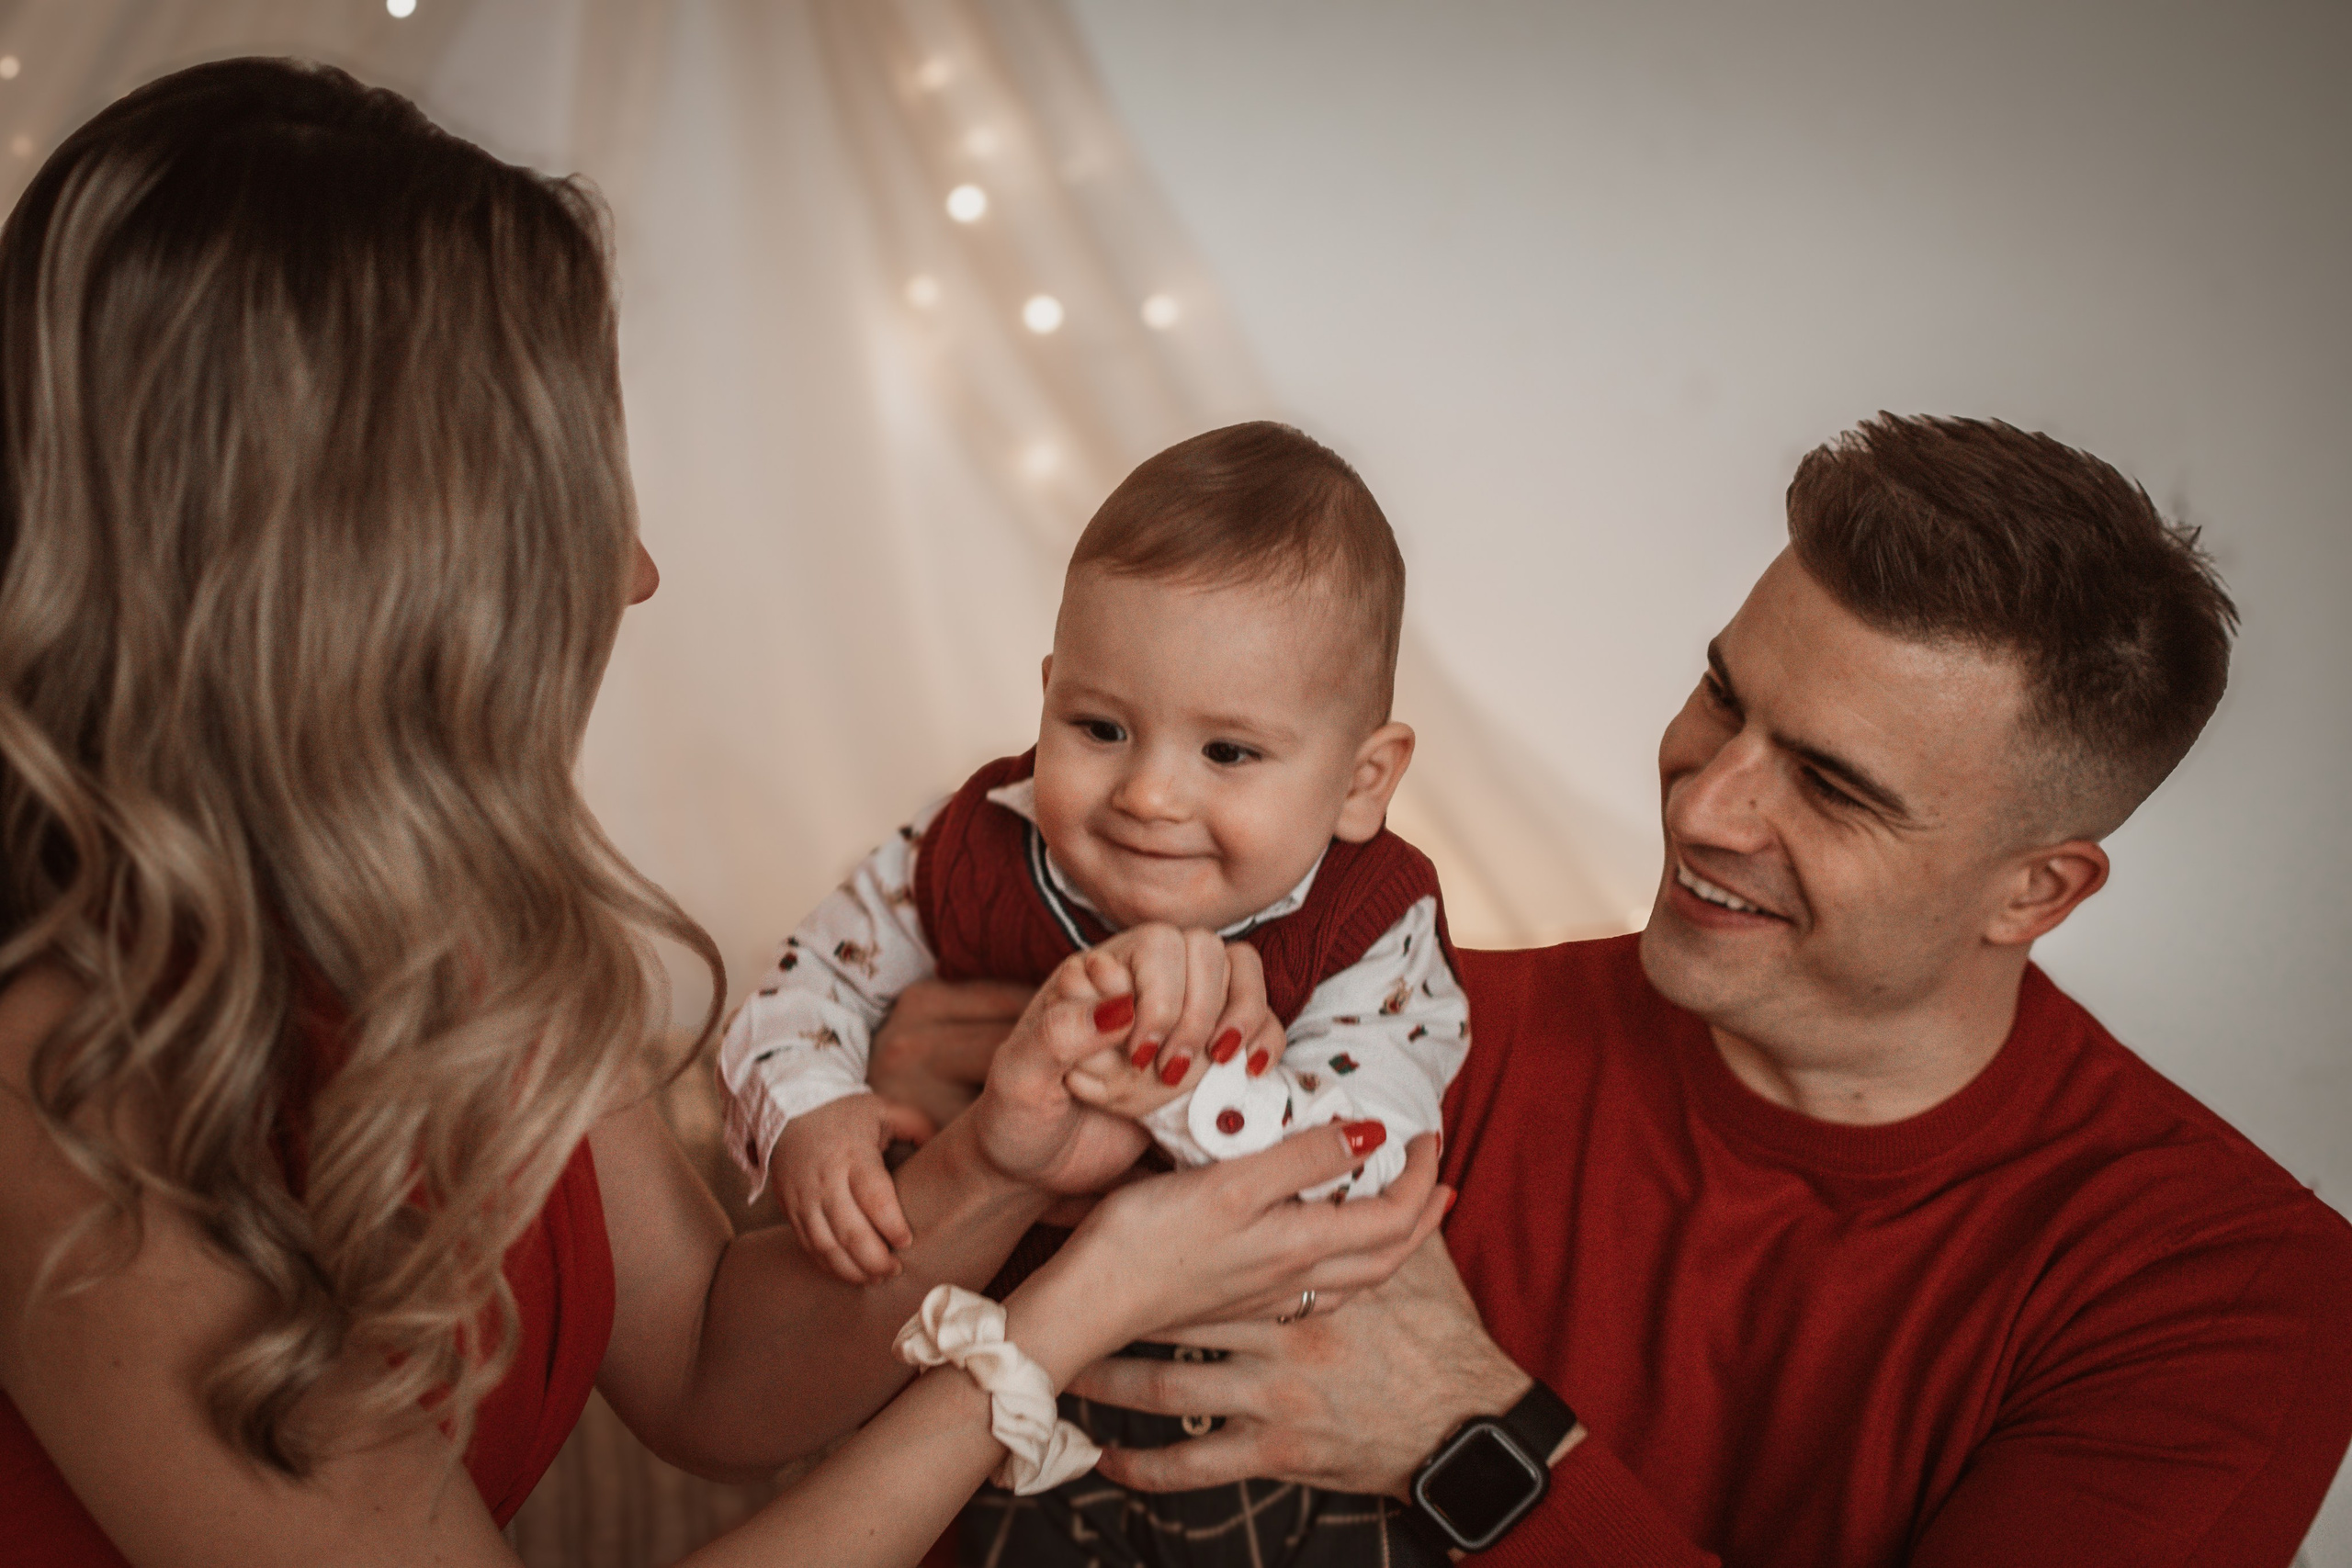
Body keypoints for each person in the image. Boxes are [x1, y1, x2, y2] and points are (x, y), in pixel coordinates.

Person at [0, 60, 1446, 1568]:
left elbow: (705, 1361)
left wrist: (1000, 1163)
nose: (635, 572)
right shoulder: (65, 1087)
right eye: (579, 499)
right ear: (397, 563)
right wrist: (1079, 1303)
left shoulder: (487, 913)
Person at [898, 416, 2352, 1564]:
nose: (1706, 805)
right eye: (1725, 696)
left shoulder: (2229, 1288)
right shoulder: (1400, 1036)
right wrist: (951, 1122)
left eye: (1832, 785)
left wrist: (1473, 1433)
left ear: (2037, 889)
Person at [719, 420, 1469, 1286]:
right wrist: (811, 1106)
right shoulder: (972, 841)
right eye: (1100, 728)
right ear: (1047, 698)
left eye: (1227, 752)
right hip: (942, 1318)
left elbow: (1367, 1164)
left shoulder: (1373, 925)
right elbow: (809, 981)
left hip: (1202, 1363)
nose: (1147, 795)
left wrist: (1182, 1088)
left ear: (1361, 781)